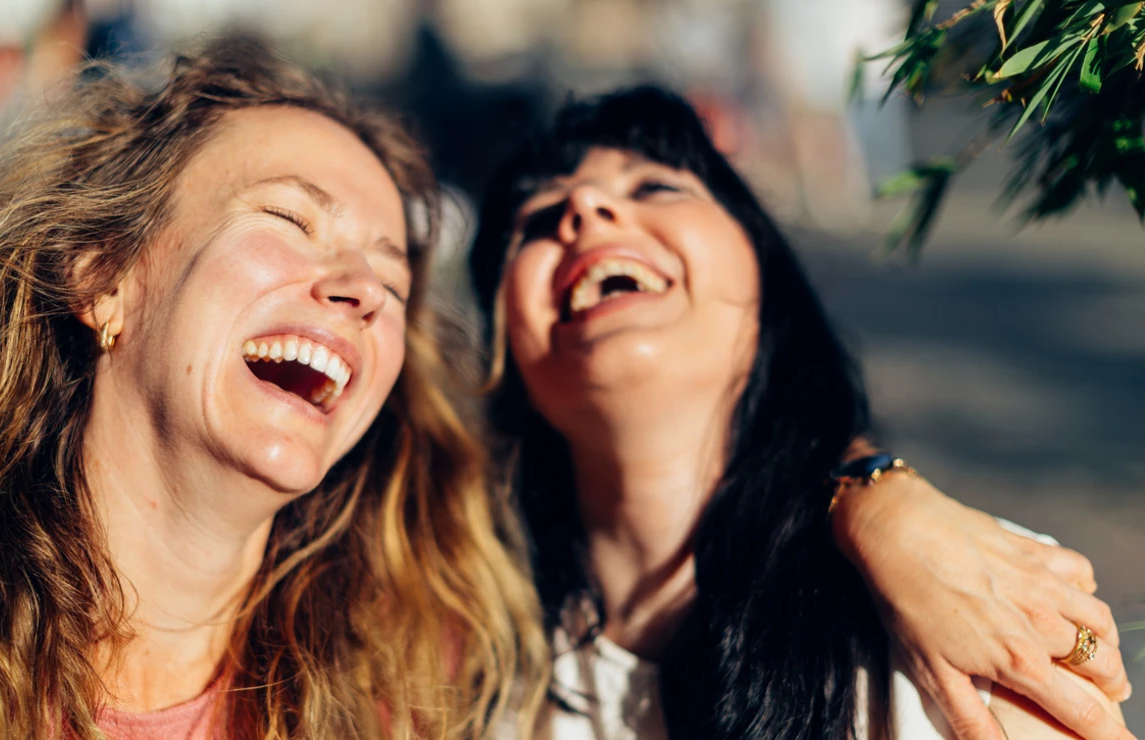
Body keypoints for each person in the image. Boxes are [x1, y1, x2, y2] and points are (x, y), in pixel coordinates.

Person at [0, 40, 550, 739]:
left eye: (393, 281)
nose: (364, 291)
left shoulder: (411, 695)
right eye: (289, 219)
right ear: (103, 276)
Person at [468, 86, 1133, 739]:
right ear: (503, 352)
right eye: (535, 220)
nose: (582, 207)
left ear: (765, 279)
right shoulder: (458, 662)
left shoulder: (966, 603)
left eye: (655, 187)